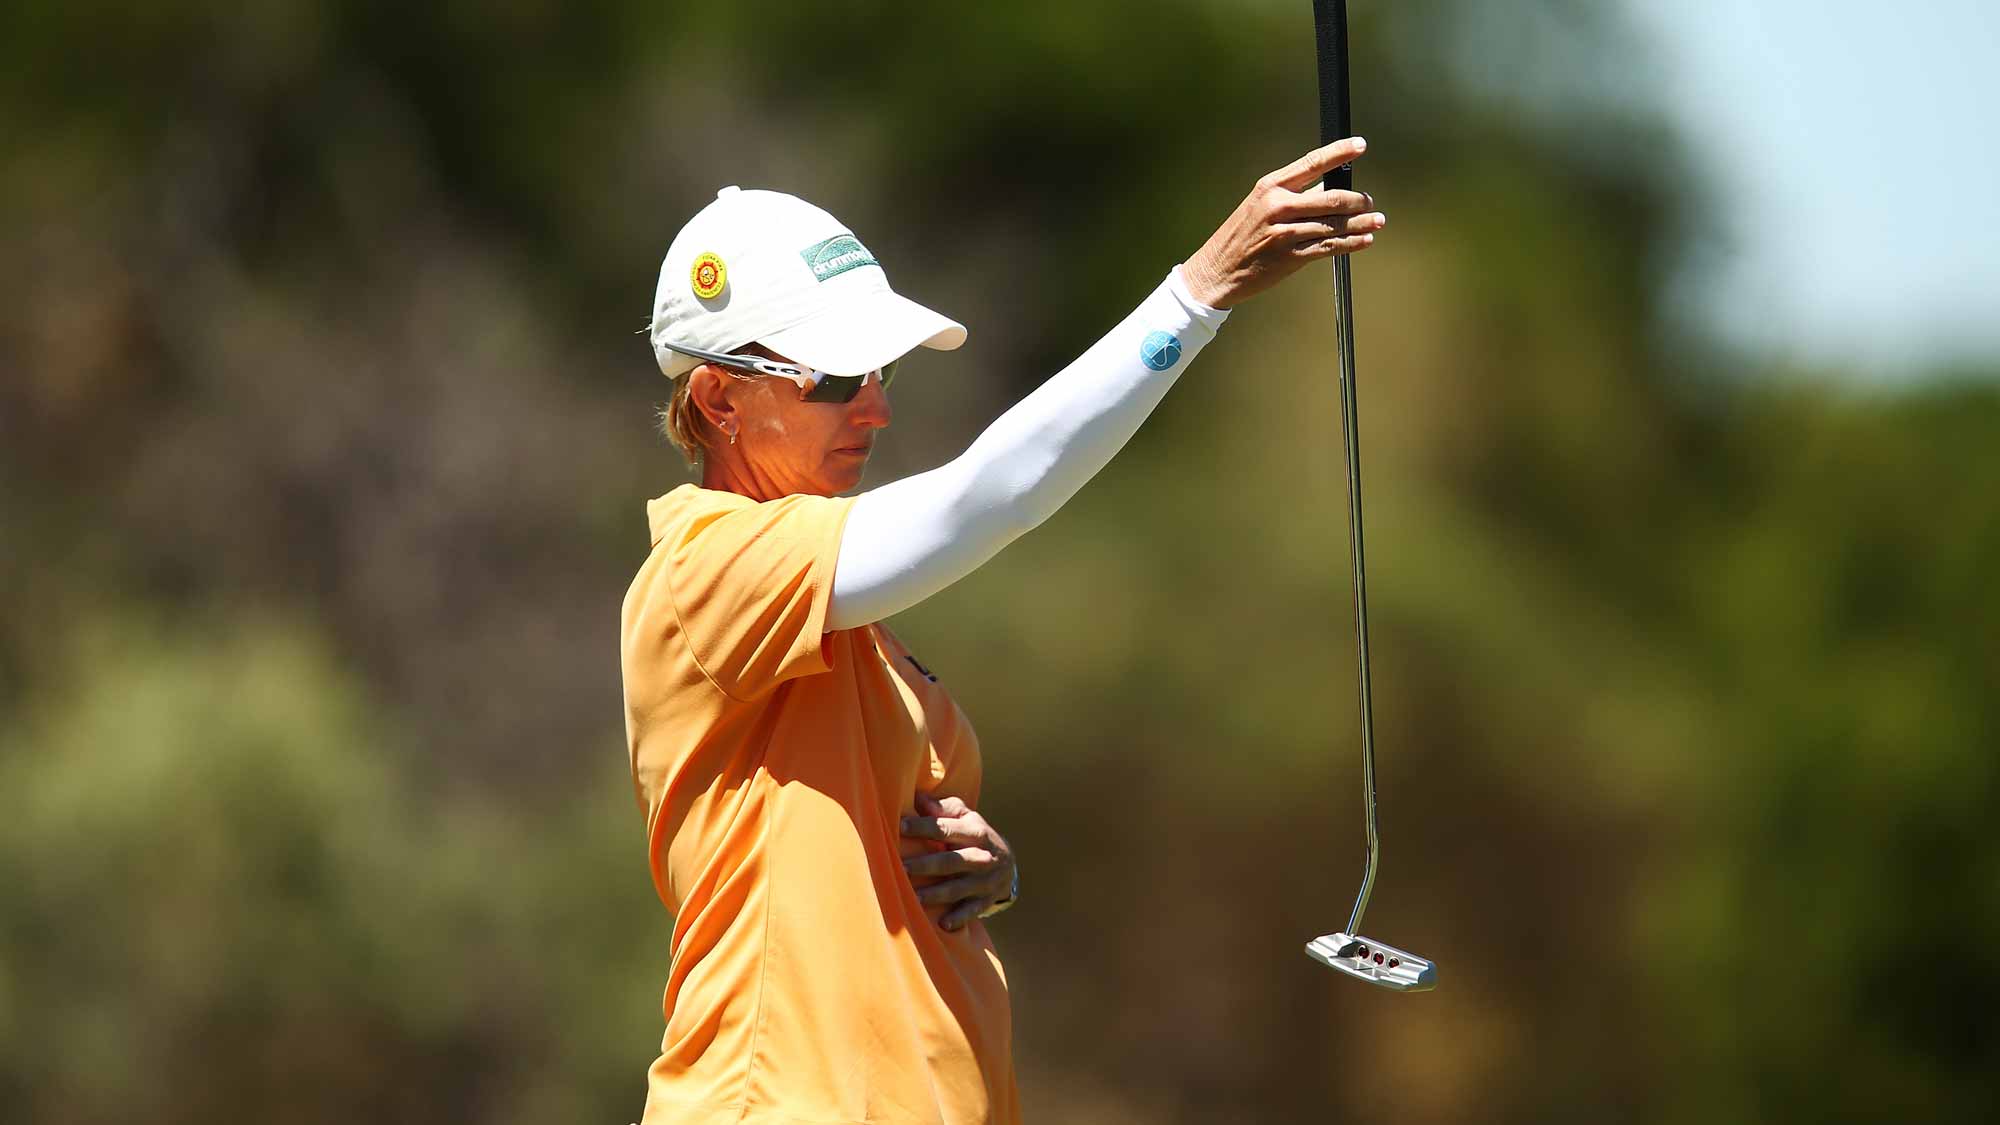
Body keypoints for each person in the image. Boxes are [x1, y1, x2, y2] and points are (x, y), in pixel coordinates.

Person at [622, 137, 1385, 1125]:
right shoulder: (705, 563)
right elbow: (981, 500)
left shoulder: (840, 623)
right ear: (721, 397)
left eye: (882, 371)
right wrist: (1194, 297)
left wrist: (978, 879)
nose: (879, 408)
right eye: (839, 380)